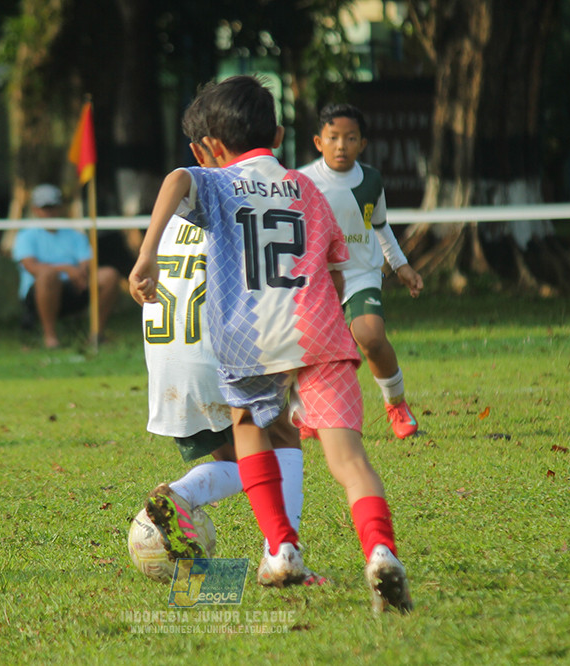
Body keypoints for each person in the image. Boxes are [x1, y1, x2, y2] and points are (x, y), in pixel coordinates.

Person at [129, 76, 413, 613]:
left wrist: (143, 257)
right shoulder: (310, 189)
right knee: (348, 459)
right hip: (318, 335)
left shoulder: (213, 186)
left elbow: (176, 180)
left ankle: (281, 548)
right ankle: (378, 551)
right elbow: (333, 265)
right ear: (281, 134)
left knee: (251, 431)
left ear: (210, 147)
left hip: (242, 340)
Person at [141, 95, 326, 586]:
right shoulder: (244, 197)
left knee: (244, 458)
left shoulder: (182, 208)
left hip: (168, 364)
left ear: (202, 149)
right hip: (219, 351)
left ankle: (186, 498)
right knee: (280, 436)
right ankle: (279, 551)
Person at [299, 103, 424, 440]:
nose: (342, 145)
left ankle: (396, 405)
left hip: (360, 274)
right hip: (318, 279)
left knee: (370, 336)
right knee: (313, 347)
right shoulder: (303, 181)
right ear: (318, 141)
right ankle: (310, 413)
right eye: (334, 137)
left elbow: (380, 227)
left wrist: (401, 266)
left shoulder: (371, 180)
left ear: (363, 144)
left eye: (351, 138)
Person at [12, 184, 119, 349]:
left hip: (74, 287)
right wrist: (66, 269)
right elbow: (31, 267)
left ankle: (96, 334)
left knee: (109, 275)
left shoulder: (75, 234)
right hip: (39, 292)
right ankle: (51, 338)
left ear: (60, 208)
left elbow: (86, 261)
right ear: (35, 209)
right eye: (45, 208)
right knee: (48, 276)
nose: (49, 212)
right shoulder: (26, 236)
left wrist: (81, 273)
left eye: (53, 207)